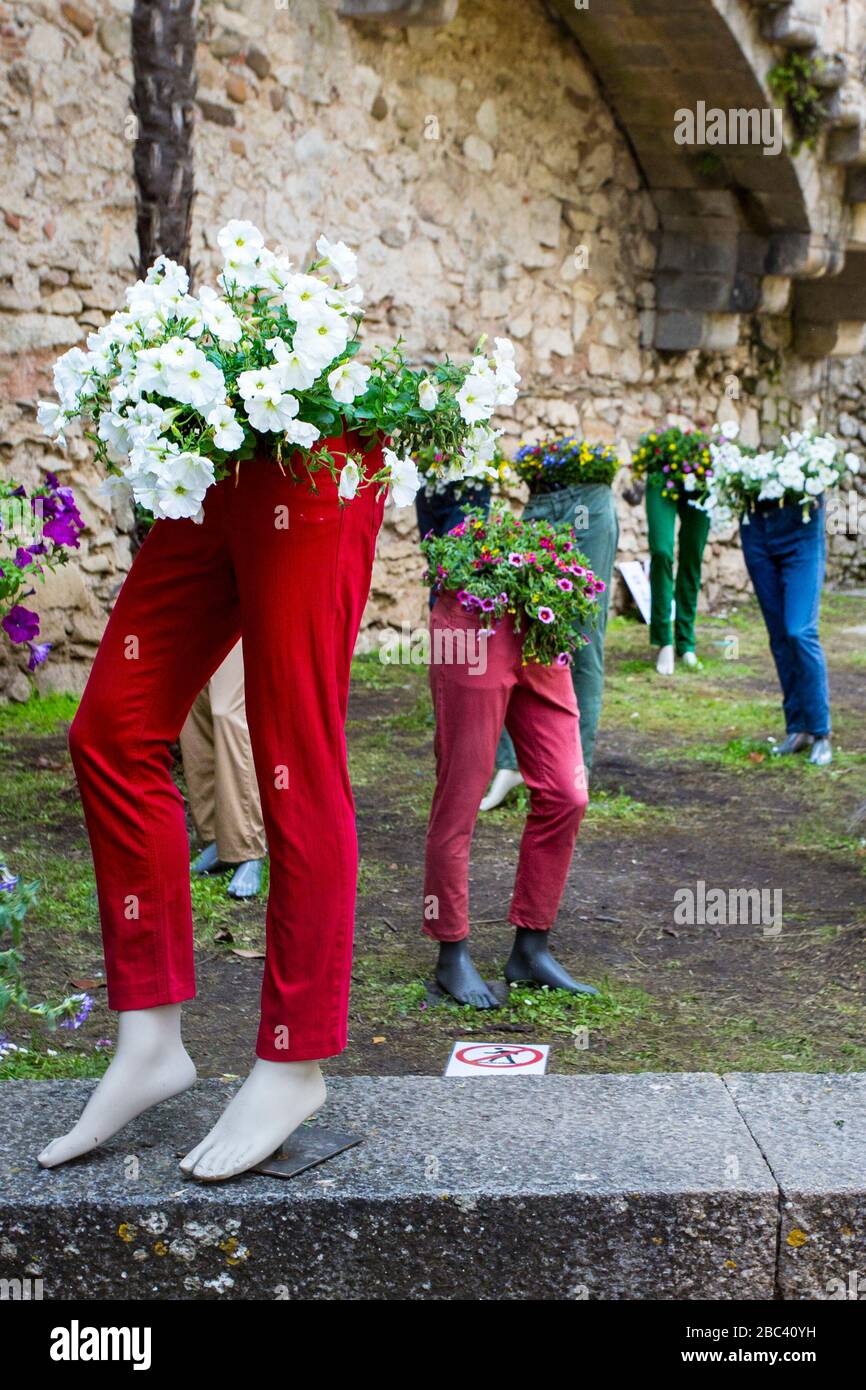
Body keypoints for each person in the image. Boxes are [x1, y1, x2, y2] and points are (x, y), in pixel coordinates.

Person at [38, 432, 386, 1181]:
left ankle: (294, 1063)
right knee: (113, 728)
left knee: (294, 750)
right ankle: (151, 1039)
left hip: (320, 444)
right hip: (217, 445)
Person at [423, 593, 598, 1009]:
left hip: (539, 612)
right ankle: (451, 954)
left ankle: (530, 950)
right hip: (472, 613)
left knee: (566, 794)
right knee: (459, 797)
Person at [483, 473, 619, 809]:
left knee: (584, 638)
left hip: (591, 499)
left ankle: (576, 767)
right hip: (540, 498)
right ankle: (511, 764)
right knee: (517, 632)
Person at [740, 496, 832, 766]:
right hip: (756, 525)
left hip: (801, 523)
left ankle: (820, 732)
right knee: (779, 635)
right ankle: (797, 728)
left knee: (799, 631)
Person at [180, 639, 267, 899]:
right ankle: (220, 835)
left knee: (228, 709)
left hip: (248, 603)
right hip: (198, 601)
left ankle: (248, 846)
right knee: (191, 701)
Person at [646, 484, 710, 676]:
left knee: (693, 555)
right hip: (662, 471)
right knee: (661, 552)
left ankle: (685, 641)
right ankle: (664, 639)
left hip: (702, 478)